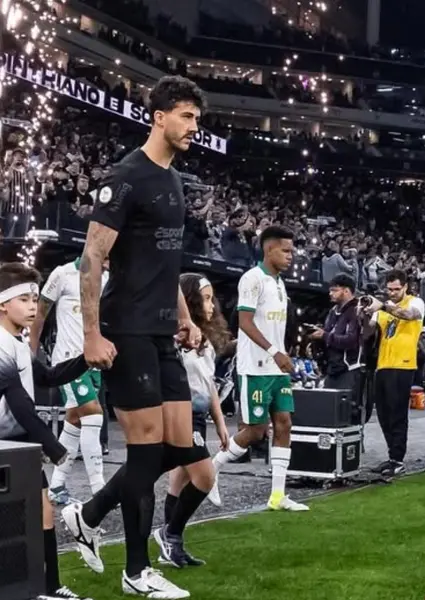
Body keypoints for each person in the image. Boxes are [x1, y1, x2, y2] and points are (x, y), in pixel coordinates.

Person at [62, 75, 209, 600]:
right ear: (159, 116)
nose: (195, 126)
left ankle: (89, 512)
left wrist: (186, 315)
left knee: (179, 447)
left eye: (197, 117)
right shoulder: (125, 178)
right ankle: (136, 569)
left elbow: (166, 261)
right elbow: (91, 258)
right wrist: (92, 334)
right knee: (146, 454)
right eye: (187, 116)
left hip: (163, 332)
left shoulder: (174, 181)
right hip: (125, 332)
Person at [0, 262, 94, 600]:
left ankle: (48, 587)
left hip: (17, 446)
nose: (32, 307)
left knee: (42, 514)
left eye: (35, 299)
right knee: (15, 522)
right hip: (5, 446)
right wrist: (54, 446)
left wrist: (87, 359)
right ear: (2, 303)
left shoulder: (18, 344)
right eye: (25, 299)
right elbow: (20, 402)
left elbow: (50, 377)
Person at [208, 226, 308, 511]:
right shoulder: (252, 279)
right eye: (286, 251)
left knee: (284, 424)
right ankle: (212, 469)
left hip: (277, 368)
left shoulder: (278, 282)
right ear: (269, 249)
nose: (291, 256)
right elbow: (245, 322)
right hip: (256, 367)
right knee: (254, 431)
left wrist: (283, 352)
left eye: (292, 251)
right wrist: (275, 352)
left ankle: (277, 496)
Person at [155, 273, 231, 567]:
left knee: (179, 480)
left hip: (198, 415)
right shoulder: (176, 337)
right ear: (190, 300)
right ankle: (169, 534)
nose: (212, 304)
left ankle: (173, 546)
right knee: (205, 476)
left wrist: (220, 423)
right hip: (179, 413)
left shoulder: (204, 340)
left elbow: (209, 384)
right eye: (207, 298)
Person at [30, 256, 110, 501]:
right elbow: (39, 316)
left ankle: (56, 486)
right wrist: (30, 356)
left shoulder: (108, 278)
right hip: (67, 361)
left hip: (94, 361)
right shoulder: (62, 274)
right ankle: (100, 490)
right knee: (94, 415)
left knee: (74, 422)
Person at [364, 270, 425, 477]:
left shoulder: (415, 302)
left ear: (405, 287)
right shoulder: (380, 309)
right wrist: (362, 313)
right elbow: (367, 331)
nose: (392, 293)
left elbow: (408, 315)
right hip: (382, 364)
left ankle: (398, 459)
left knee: (398, 415)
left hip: (403, 365)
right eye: (389, 289)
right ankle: (392, 456)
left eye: (397, 289)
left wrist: (383, 306)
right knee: (383, 415)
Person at [317, 274, 365, 393]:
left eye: (335, 290)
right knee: (328, 407)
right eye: (330, 290)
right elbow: (328, 334)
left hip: (350, 369)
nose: (330, 293)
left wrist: (325, 335)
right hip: (332, 369)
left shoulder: (357, 310)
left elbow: (351, 340)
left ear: (347, 291)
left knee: (347, 409)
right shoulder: (333, 311)